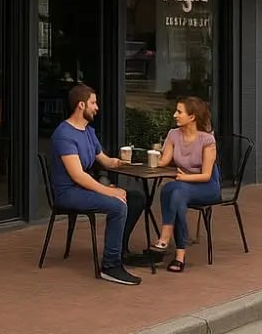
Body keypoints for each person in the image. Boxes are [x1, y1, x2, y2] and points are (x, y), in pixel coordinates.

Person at [49, 83, 145, 285]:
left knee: (136, 198)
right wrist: (107, 191)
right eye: (93, 103)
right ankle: (110, 266)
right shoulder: (64, 134)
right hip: (69, 193)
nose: (97, 107)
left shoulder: (88, 131)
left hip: (83, 188)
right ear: (81, 105)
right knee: (117, 205)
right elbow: (78, 176)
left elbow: (104, 160)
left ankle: (120, 250)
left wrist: (125, 161)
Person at [150, 96, 221, 273]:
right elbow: (164, 161)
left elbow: (205, 175)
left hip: (206, 187)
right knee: (168, 190)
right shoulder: (173, 134)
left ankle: (167, 239)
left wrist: (184, 178)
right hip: (183, 185)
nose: (175, 115)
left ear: (192, 117)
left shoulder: (207, 140)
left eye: (179, 112)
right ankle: (179, 254)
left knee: (175, 191)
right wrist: (153, 154)